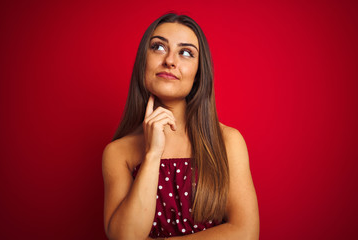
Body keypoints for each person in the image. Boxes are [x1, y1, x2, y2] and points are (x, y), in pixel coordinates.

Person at [102, 13, 259, 240]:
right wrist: (152, 154)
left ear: (198, 74)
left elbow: (246, 233)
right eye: (158, 47)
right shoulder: (118, 153)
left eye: (186, 53)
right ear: (142, 61)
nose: (170, 61)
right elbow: (125, 237)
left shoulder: (227, 141)